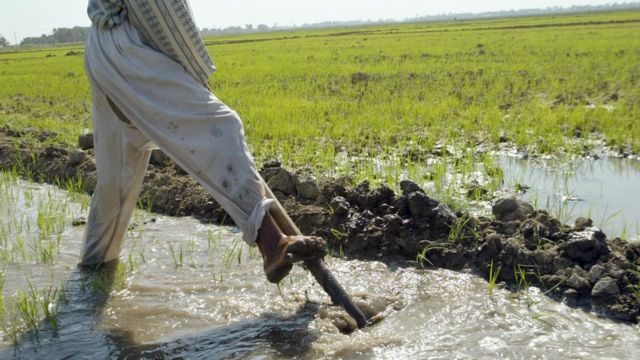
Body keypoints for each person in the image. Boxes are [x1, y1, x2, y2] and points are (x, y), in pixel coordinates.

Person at [81, 0, 324, 283]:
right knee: (220, 126)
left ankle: (92, 271)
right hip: (129, 48)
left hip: (101, 47)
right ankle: (271, 243)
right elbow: (162, 15)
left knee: (116, 176)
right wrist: (197, 80)